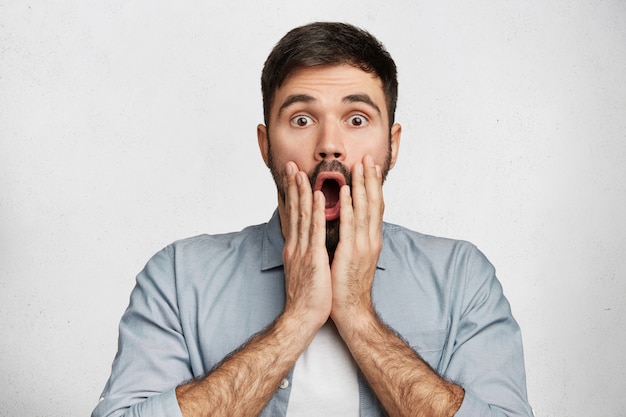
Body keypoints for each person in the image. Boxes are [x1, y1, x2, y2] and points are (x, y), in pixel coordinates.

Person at [92, 22, 532, 417]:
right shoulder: (177, 276)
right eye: (301, 119)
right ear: (266, 145)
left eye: (357, 119)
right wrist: (297, 319)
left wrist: (358, 315)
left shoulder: (461, 277)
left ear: (392, 145)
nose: (330, 146)